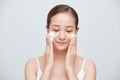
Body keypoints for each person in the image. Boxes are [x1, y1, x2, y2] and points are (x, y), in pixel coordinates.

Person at [25, 4, 96, 80]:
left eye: (69, 31)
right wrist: (48, 68)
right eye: (56, 30)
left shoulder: (88, 66)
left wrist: (70, 69)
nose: (62, 37)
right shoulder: (32, 65)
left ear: (76, 31)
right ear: (47, 29)